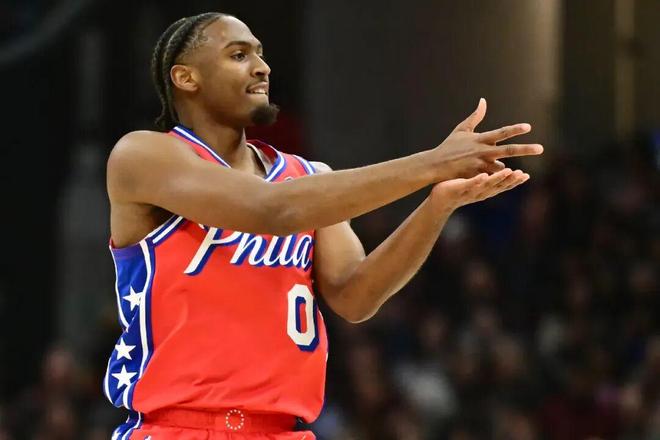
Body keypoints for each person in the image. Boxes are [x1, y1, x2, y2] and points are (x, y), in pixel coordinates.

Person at [103, 11, 543, 440]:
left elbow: (356, 296)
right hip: (177, 427)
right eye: (238, 55)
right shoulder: (142, 156)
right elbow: (272, 210)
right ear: (186, 78)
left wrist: (436, 205)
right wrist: (432, 162)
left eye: (260, 53)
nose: (262, 67)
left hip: (284, 429)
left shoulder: (307, 177)